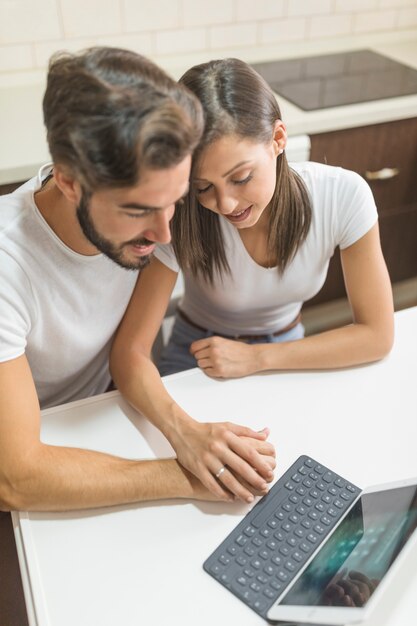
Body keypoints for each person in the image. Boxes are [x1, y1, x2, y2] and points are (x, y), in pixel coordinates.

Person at [0, 48, 275, 512]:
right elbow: (16, 480)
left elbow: (127, 352)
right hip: (37, 448)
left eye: (175, 201)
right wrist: (187, 473)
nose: (164, 234)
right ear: (69, 182)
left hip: (104, 419)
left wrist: (187, 433)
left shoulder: (152, 203)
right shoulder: (9, 263)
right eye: (137, 211)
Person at [110, 58, 393, 492]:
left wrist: (259, 358)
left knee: (296, 478)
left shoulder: (344, 195)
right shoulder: (181, 213)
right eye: (203, 187)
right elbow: (129, 351)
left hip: (291, 353)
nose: (224, 204)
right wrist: (184, 433)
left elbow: (376, 334)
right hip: (195, 355)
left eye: (241, 177)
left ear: (278, 139)